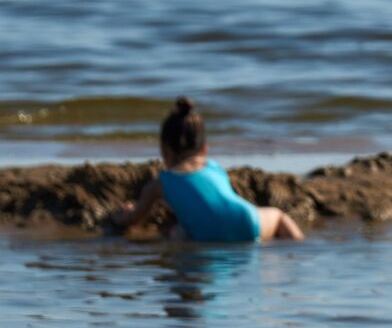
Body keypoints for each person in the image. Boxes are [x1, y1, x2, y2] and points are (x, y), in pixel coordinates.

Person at [112, 97, 305, 243]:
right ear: (205, 149)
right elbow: (212, 200)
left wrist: (124, 215)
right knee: (279, 215)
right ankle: (299, 247)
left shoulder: (159, 185)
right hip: (247, 222)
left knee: (176, 232)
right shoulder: (214, 167)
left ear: (165, 150)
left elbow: (134, 220)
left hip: (207, 235)